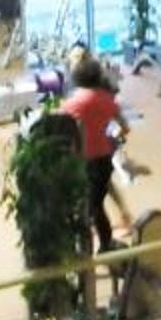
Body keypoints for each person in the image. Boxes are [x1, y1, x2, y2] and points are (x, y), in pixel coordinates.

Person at [58, 50, 124, 251]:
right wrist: (112, 139)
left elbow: (64, 129)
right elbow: (124, 127)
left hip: (82, 161)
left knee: (87, 209)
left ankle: (87, 250)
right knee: (96, 206)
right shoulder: (108, 99)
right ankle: (105, 245)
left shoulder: (72, 104)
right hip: (104, 159)